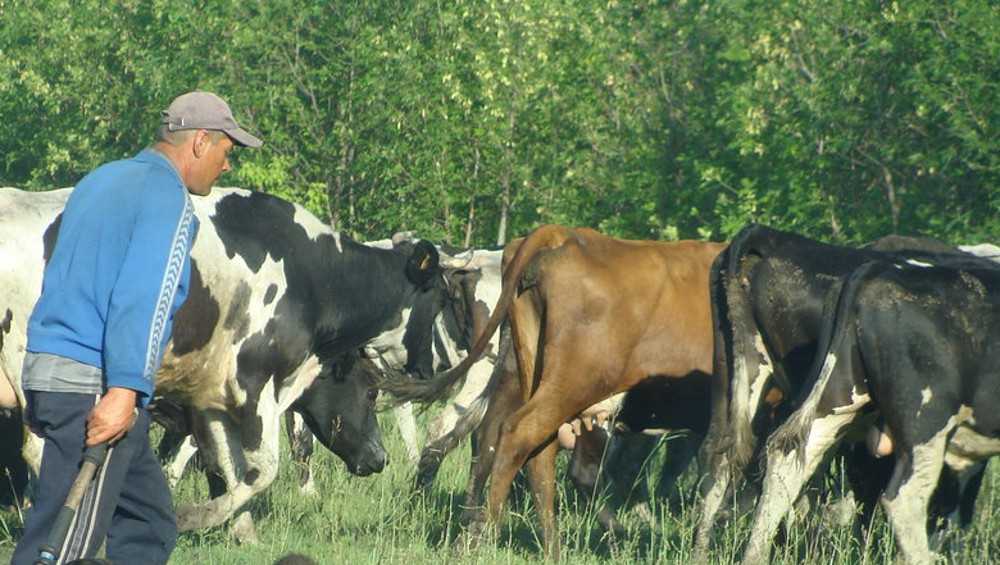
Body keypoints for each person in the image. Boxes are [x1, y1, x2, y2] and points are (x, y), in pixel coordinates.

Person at [12, 91, 262, 565]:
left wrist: (46, 376)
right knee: (60, 545)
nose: (226, 166)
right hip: (94, 386)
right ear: (200, 142)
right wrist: (125, 390)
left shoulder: (101, 181)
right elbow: (145, 297)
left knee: (148, 520)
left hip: (51, 368)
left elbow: (62, 274)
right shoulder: (167, 200)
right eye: (226, 152)